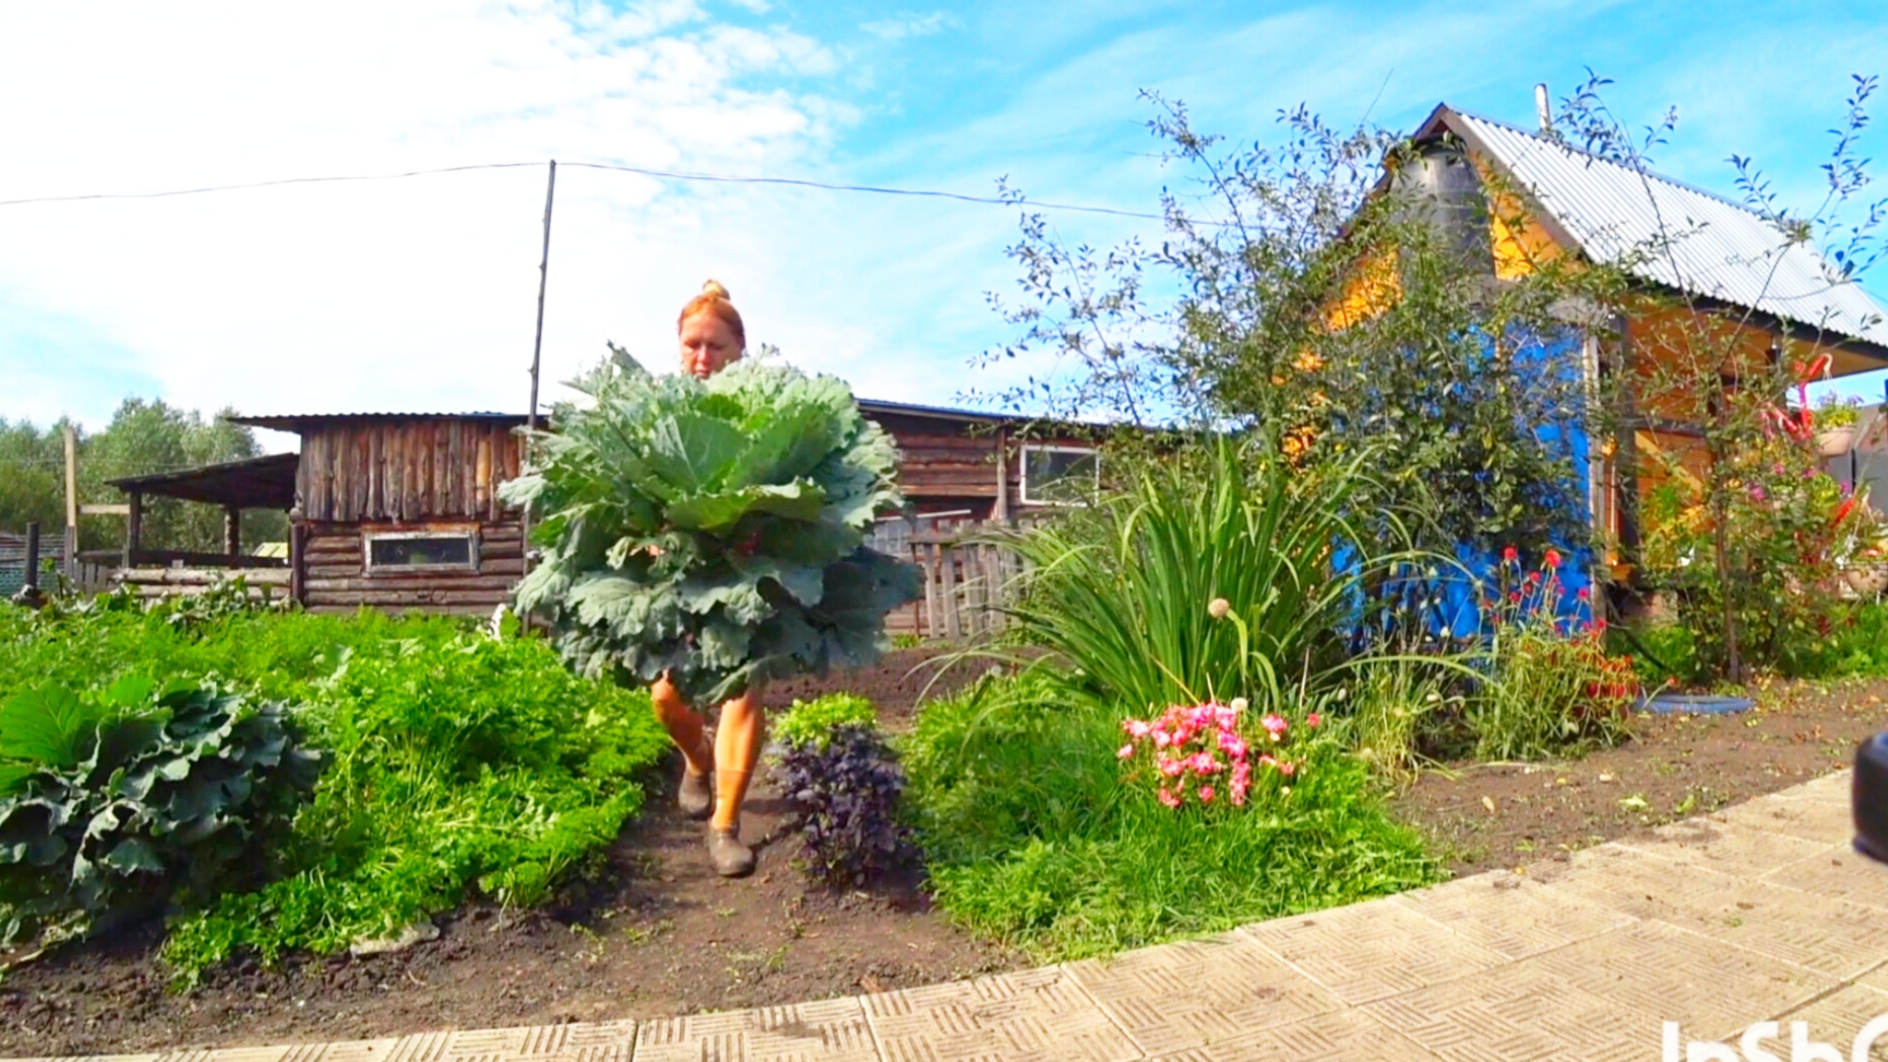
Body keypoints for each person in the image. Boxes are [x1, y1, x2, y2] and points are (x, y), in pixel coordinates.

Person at [651, 279, 766, 877]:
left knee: (742, 694)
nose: (703, 358)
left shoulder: (766, 408)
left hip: (752, 573)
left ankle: (725, 825)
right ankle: (697, 762)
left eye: (716, 346)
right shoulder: (656, 414)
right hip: (681, 576)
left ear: (739, 349)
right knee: (668, 699)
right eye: (692, 345)